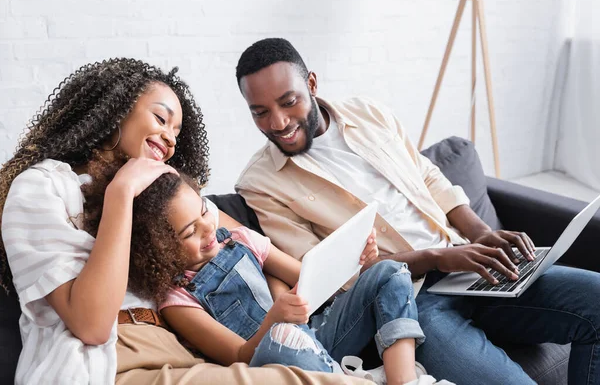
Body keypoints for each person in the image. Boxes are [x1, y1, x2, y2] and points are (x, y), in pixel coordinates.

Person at [233, 38, 600, 385]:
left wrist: (480, 234)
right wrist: (440, 257)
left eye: (289, 101)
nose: (278, 123)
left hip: (474, 269)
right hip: (413, 302)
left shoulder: (368, 113)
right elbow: (328, 277)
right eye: (260, 112)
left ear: (311, 83)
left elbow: (428, 177)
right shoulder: (261, 182)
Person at [0, 58, 369, 385]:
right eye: (160, 118)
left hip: (183, 352)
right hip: (112, 364)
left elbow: (248, 246)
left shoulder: (161, 195)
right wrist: (121, 193)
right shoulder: (41, 187)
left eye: (176, 133)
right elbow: (93, 326)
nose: (170, 139)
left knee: (303, 371)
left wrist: (349, 264)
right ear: (114, 110)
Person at [81, 158, 439, 385]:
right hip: (280, 354)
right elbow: (240, 357)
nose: (208, 230)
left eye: (204, 212)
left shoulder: (238, 237)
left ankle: (402, 379)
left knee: (391, 271)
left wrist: (356, 260)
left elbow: (313, 279)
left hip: (317, 331)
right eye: (189, 231)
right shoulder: (176, 301)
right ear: (157, 251)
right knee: (288, 339)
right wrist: (274, 321)